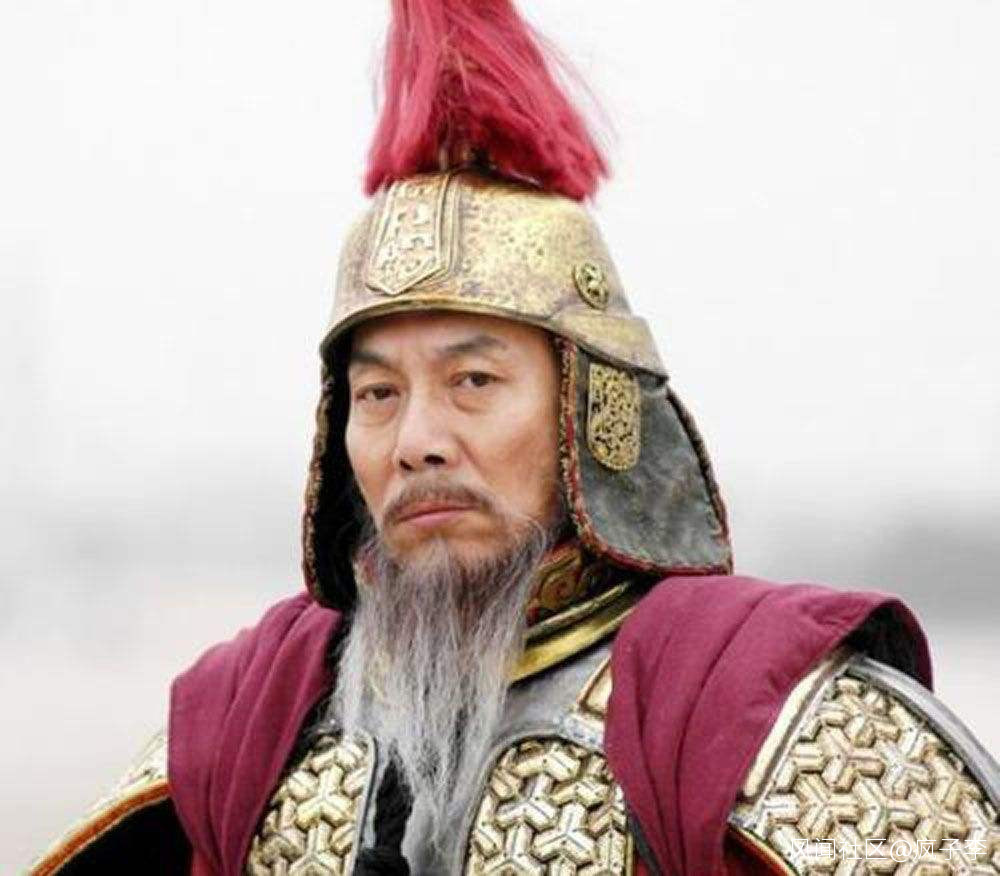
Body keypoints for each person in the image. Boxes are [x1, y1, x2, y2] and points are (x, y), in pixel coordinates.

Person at [30, 1, 1000, 874]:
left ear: (591, 411)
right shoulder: (247, 735)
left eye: (474, 382)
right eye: (377, 393)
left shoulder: (773, 729)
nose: (416, 440)